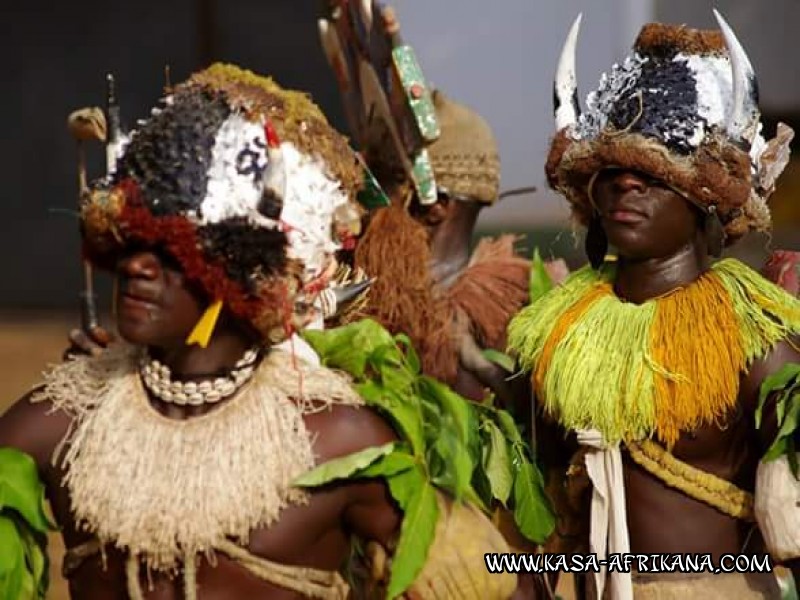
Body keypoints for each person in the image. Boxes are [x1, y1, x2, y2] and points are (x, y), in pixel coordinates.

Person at [0, 64, 530, 599]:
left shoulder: (338, 441)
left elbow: (500, 586)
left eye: (172, 248)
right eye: (130, 242)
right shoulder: (57, 422)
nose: (138, 265)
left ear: (250, 272)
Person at [508, 13, 800, 599]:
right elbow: (537, 507)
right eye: (611, 173)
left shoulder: (753, 343)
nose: (625, 187)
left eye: (652, 177)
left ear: (703, 202)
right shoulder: (557, 334)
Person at [318, 1, 567, 415]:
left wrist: (490, 376)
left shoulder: (518, 313)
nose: (361, 207)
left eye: (383, 189)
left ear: (437, 209)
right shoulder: (344, 290)